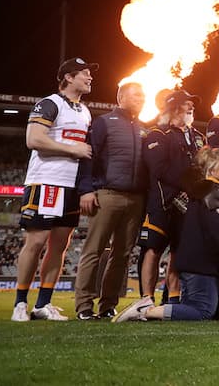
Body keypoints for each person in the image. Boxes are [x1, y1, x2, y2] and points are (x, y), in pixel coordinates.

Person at [113, 148, 219, 322]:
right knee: (203, 311)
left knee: (203, 307)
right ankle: (146, 311)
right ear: (211, 168)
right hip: (200, 264)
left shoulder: (209, 190)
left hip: (198, 263)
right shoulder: (212, 193)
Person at [11, 57, 98, 322]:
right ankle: (20, 304)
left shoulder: (85, 111)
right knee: (36, 242)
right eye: (84, 73)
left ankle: (43, 304)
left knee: (60, 245)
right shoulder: (50, 103)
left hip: (71, 186)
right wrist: (73, 149)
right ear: (68, 77)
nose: (90, 78)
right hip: (47, 181)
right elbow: (33, 139)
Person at [73, 82, 147, 320]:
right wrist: (86, 190)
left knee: (122, 254)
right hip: (107, 194)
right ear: (121, 97)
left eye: (143, 95)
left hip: (136, 198)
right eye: (136, 95)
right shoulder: (104, 122)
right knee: (93, 250)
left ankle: (108, 305)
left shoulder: (144, 128)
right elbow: (88, 158)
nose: (141, 98)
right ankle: (84, 306)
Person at [139, 89, 205, 307]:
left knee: (178, 251)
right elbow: (159, 169)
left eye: (191, 104)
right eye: (186, 104)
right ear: (174, 107)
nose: (191, 107)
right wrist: (187, 186)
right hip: (163, 202)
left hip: (189, 204)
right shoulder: (157, 133)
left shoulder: (197, 136)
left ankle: (173, 299)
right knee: (153, 249)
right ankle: (146, 299)